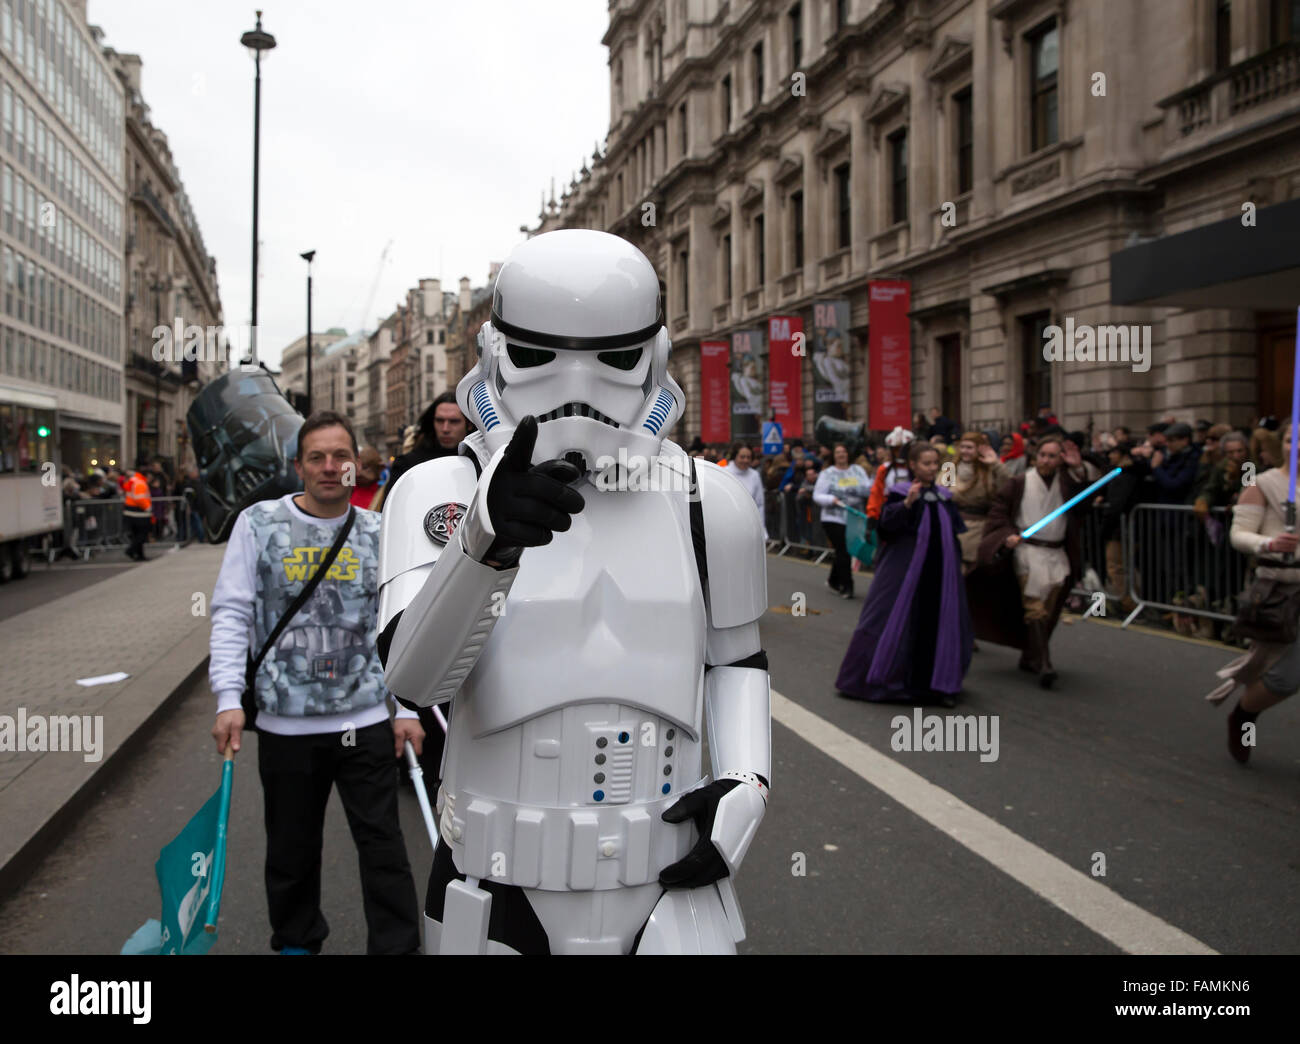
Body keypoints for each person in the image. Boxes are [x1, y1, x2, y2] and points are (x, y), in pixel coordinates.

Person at [378, 228, 770, 954]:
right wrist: (483, 546)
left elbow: (738, 662)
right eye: (539, 357)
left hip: (666, 884)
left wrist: (747, 782)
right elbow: (415, 680)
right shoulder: (441, 489)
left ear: (652, 356)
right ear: (496, 353)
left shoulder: (707, 501)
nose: (577, 392)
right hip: (495, 882)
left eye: (613, 359)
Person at [209, 410, 425, 955]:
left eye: (341, 457)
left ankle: (396, 948)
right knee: (291, 850)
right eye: (317, 458)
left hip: (365, 722)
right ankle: (297, 942)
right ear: (298, 465)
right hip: (287, 724)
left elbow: (398, 627)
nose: (330, 468)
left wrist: (407, 710)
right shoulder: (258, 524)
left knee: (383, 848)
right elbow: (232, 612)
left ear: (356, 465)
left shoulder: (380, 533)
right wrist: (227, 699)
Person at [835, 442, 971, 706]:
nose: (931, 468)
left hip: (941, 572)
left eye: (935, 463)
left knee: (939, 622)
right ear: (913, 465)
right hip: (905, 571)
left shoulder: (945, 496)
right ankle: (888, 681)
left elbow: (953, 535)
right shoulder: (899, 494)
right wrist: (907, 504)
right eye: (926, 463)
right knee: (890, 617)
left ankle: (938, 685)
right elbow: (885, 528)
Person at [1206, 421, 1300, 763]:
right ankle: (1244, 715)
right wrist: (1270, 543)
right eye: (1292, 440)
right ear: (1282, 444)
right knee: (1285, 679)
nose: (1298, 447)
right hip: (1283, 589)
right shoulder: (1262, 484)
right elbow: (1239, 534)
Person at [972, 435, 1088, 688]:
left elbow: (1086, 498)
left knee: (1049, 608)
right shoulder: (1018, 482)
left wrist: (1078, 467)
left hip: (1056, 554)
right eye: (1042, 455)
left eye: (1052, 456)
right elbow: (995, 510)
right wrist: (1005, 535)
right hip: (1026, 552)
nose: (1046, 461)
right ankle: (1044, 663)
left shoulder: (1067, 483)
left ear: (1060, 459)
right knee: (1034, 606)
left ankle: (1031, 655)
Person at [374, 391, 474, 512]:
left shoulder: (482, 463)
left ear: (469, 424)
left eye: (454, 421)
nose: (445, 428)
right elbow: (390, 512)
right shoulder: (407, 465)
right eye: (439, 421)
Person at [813, 443, 871, 598]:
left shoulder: (857, 471)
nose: (841, 455)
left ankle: (833, 580)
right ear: (834, 455)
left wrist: (856, 491)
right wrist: (832, 499)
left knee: (843, 551)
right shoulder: (827, 473)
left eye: (844, 452)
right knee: (844, 550)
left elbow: (868, 488)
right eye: (838, 452)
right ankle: (847, 586)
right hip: (833, 517)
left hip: (854, 517)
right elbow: (817, 495)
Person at [950, 432, 1005, 576]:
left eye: (969, 447)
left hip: (980, 528)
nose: (964, 451)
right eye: (962, 447)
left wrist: (996, 464)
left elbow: (1006, 489)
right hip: (955, 524)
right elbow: (941, 492)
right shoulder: (950, 468)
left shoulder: (988, 469)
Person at [866, 426, 915, 524]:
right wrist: (872, 516)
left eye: (903, 449)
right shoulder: (885, 469)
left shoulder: (916, 467)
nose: (900, 453)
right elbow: (876, 494)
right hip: (891, 514)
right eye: (896, 449)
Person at [728, 442, 768, 540]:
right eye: (742, 457)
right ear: (735, 456)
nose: (745, 460)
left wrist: (761, 528)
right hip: (728, 526)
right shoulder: (724, 472)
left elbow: (759, 504)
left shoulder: (754, 475)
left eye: (748, 457)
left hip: (749, 526)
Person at [122, 454, 153, 562]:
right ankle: (131, 550)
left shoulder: (134, 480)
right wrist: (148, 507)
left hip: (131, 512)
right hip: (138, 513)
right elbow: (139, 498)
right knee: (142, 535)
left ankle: (139, 555)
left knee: (137, 535)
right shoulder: (140, 483)